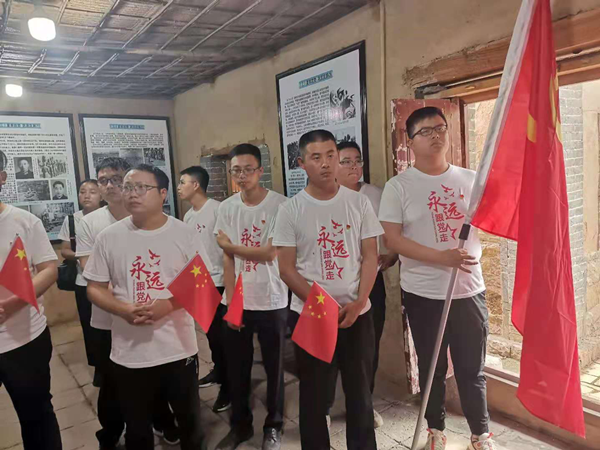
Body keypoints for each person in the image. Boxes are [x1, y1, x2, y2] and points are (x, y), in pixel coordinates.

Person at [379, 107, 495, 450]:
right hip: (424, 294)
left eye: (440, 128)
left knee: (472, 369)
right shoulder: (398, 187)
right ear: (410, 141)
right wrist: (442, 258)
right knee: (432, 366)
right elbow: (393, 240)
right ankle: (436, 430)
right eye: (426, 131)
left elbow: (492, 220)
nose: (436, 136)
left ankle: (481, 434)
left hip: (469, 291)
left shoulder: (471, 180)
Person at [84, 164, 209, 450]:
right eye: (128, 187)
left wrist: (169, 305)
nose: (132, 193)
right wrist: (122, 309)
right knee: (137, 427)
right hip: (130, 352)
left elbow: (200, 283)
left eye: (142, 187)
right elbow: (94, 288)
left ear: (163, 193)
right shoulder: (109, 237)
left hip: (178, 348)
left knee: (190, 421)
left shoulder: (184, 234)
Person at [273, 130, 383, 450]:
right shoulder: (291, 210)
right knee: (314, 395)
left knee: (360, 393)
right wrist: (324, 306)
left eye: (331, 155)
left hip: (357, 315)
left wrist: (360, 301)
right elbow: (286, 268)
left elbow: (370, 256)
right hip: (312, 315)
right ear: (301, 163)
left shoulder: (359, 202)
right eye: (316, 157)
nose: (325, 163)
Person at [77, 158, 178, 448]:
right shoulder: (90, 223)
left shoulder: (149, 216)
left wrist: (152, 305)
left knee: (155, 370)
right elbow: (89, 269)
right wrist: (123, 305)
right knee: (111, 380)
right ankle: (111, 432)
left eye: (116, 179)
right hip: (109, 315)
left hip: (151, 311)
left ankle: (163, 420)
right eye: (103, 180)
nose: (110, 185)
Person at [213, 144, 288, 450]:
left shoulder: (281, 205)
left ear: (260, 171)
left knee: (274, 367)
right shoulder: (227, 208)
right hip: (238, 299)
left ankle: (274, 425)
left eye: (247, 169)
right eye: (236, 170)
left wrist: (231, 247)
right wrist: (232, 303)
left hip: (272, 298)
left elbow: (270, 252)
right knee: (237, 368)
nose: (242, 176)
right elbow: (226, 259)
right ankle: (240, 426)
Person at [331, 140, 398, 428]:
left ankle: (363, 404)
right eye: (345, 161)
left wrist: (392, 254)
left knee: (367, 347)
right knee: (329, 347)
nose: (353, 166)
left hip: (370, 283)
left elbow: (393, 234)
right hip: (332, 283)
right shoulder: (322, 198)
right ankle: (324, 405)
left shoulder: (375, 195)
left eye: (357, 160)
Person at [0, 150, 62, 450]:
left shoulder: (24, 221)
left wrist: (10, 305)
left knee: (36, 415)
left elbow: (49, 269)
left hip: (24, 338)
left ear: (2, 178)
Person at [178, 165, 231, 413]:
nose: (179, 187)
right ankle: (219, 371)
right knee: (211, 336)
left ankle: (230, 388)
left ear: (196, 185)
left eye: (183, 182)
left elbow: (227, 249)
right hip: (200, 282)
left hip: (219, 281)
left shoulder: (217, 210)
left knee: (223, 338)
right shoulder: (188, 216)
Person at [58, 179, 103, 386]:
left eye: (92, 191)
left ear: (101, 195)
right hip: (83, 282)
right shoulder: (72, 220)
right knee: (89, 325)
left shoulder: (109, 217)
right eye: (83, 191)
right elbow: (65, 250)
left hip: (107, 283)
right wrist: (83, 254)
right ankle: (99, 367)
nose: (87, 195)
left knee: (110, 326)